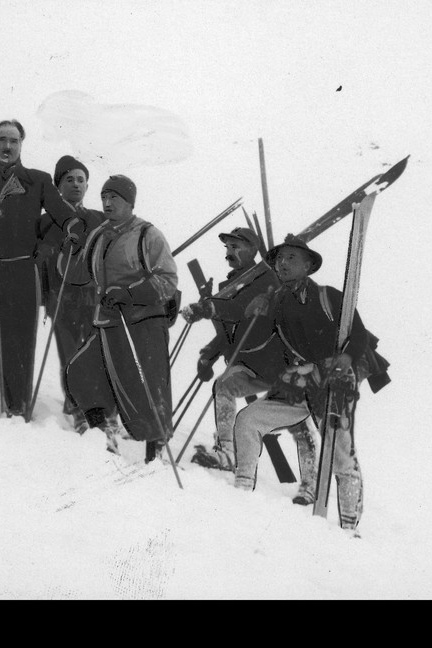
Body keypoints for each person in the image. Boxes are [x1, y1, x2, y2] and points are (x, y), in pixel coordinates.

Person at [233, 234, 390, 532]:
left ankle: (349, 529)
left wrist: (345, 360)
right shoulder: (276, 302)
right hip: (300, 383)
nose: (283, 263)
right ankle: (241, 494)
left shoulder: (329, 296)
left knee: (340, 454)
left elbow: (357, 335)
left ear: (308, 265)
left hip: (334, 381)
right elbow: (256, 346)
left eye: (292, 257)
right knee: (247, 420)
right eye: (280, 258)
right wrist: (253, 313)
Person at [182, 227, 317, 505]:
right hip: (252, 363)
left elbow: (239, 309)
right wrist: (208, 355)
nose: (230, 252)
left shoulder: (267, 276)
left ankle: (310, 485)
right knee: (225, 385)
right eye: (228, 247)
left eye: (237, 246)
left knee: (300, 424)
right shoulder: (227, 286)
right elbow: (230, 332)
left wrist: (207, 308)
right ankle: (227, 451)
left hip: (280, 362)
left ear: (253, 250)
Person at [0, 120, 80, 418]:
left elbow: (62, 213)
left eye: (13, 141)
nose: (7, 146)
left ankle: (16, 407)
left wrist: (71, 228)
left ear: (21, 145)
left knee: (17, 343)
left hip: (18, 271)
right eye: (1, 140)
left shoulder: (37, 180)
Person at [64, 176, 179, 461]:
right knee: (80, 373)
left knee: (148, 386)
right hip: (109, 323)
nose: (107, 202)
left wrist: (129, 293)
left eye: (115, 197)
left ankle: (156, 452)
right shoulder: (99, 235)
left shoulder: (147, 235)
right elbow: (78, 275)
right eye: (104, 196)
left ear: (130, 202)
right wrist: (73, 246)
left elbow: (167, 280)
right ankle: (105, 432)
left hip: (143, 324)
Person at [36, 156, 119, 434]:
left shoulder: (99, 219)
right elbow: (40, 258)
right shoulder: (47, 221)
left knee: (97, 355)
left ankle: (105, 412)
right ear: (58, 186)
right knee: (70, 355)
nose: (75, 184)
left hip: (92, 299)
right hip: (60, 299)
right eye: (68, 179)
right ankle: (79, 411)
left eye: (81, 179)